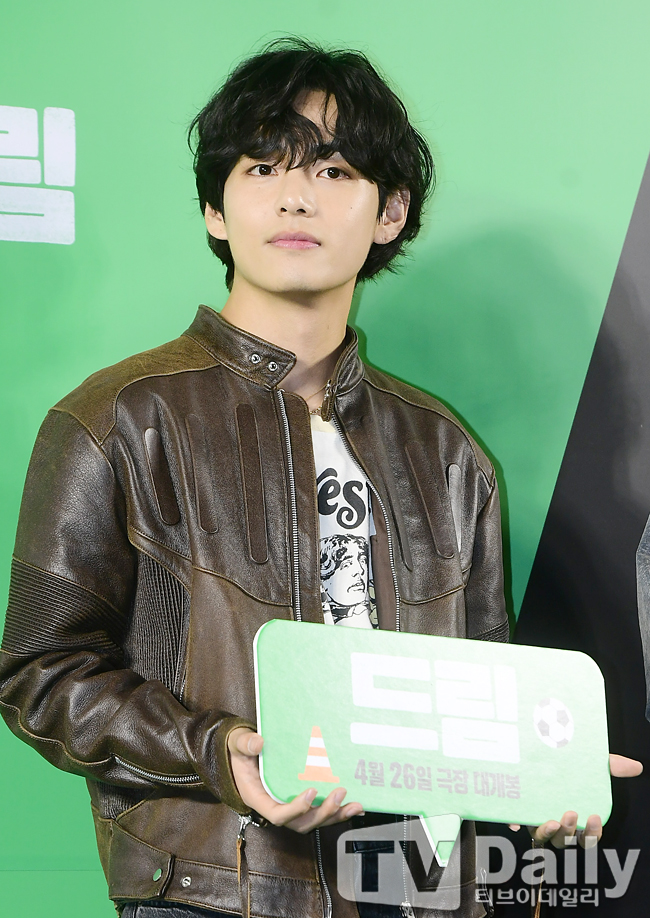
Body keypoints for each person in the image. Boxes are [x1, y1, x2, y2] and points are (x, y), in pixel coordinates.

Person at [0, 37, 640, 918]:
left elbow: (485, 699)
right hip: (215, 891)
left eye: (334, 171)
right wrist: (215, 753)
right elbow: (40, 670)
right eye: (263, 167)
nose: (295, 195)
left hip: (417, 891)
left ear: (390, 213)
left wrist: (542, 772)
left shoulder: (449, 454)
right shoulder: (117, 419)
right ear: (215, 209)